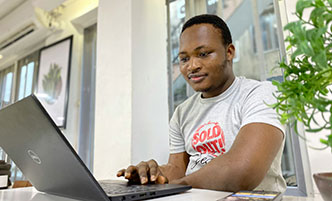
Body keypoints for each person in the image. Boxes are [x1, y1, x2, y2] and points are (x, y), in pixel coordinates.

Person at [117, 14, 286, 192]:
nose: (192, 66)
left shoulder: (262, 94)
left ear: (229, 52)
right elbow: (178, 170)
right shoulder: (182, 112)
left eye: (203, 54)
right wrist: (153, 176)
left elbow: (243, 170)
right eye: (184, 59)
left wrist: (176, 185)